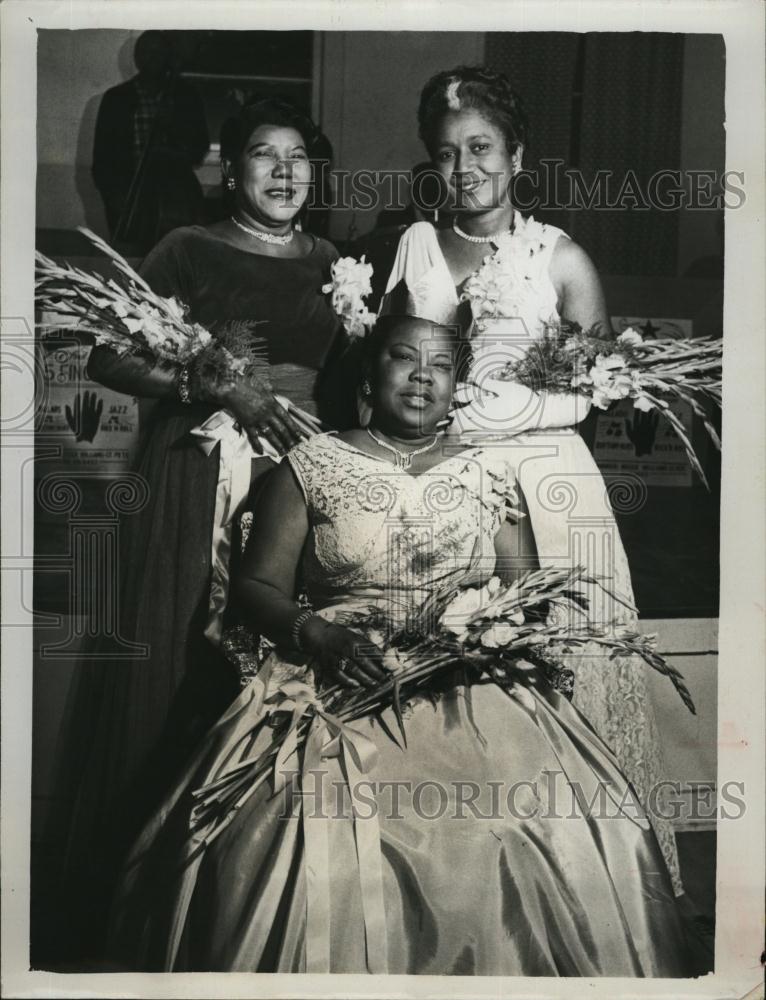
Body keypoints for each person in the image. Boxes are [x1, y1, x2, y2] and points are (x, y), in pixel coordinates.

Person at [107, 314, 688, 976]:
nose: (421, 377)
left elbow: (524, 591)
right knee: (301, 831)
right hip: (333, 675)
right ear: (370, 374)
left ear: (457, 385)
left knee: (527, 823)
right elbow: (257, 585)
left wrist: (482, 638)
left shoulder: (490, 470)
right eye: (403, 360)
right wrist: (318, 633)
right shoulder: (312, 464)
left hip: (471, 676)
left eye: (440, 366)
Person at [45, 98, 348, 965]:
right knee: (188, 658)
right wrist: (220, 387)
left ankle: (249, 890)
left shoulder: (336, 261)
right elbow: (107, 355)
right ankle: (146, 895)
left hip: (298, 478)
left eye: (299, 157)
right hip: (196, 477)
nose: (285, 173)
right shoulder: (186, 247)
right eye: (264, 155)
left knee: (280, 668)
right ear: (232, 168)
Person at [380, 65, 683, 893]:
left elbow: (600, 389)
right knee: (452, 663)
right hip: (443, 479)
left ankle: (594, 881)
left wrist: (507, 410)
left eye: (481, 148)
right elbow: (393, 365)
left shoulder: (562, 257)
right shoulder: (411, 245)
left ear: (517, 155)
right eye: (447, 153)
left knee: (560, 660)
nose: (464, 167)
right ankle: (460, 879)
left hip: (549, 482)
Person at [92, 30, 209, 251]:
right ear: (136, 58)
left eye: (159, 52)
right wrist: (115, 200)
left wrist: (171, 135)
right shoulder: (116, 99)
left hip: (175, 200)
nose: (152, 58)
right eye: (146, 52)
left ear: (167, 57)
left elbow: (198, 149)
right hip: (130, 200)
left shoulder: (185, 96)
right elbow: (102, 159)